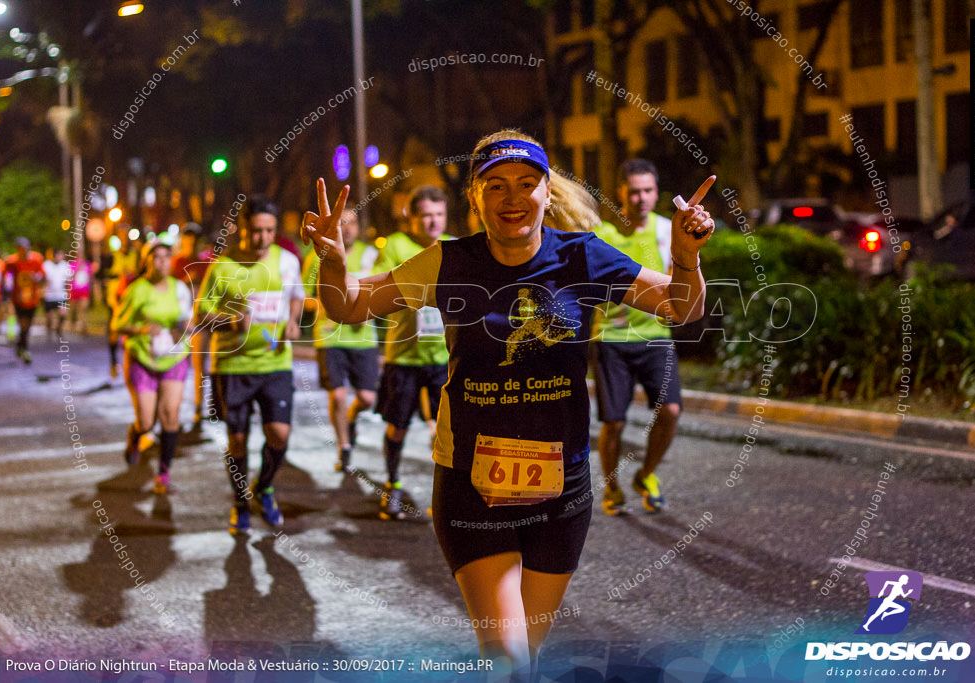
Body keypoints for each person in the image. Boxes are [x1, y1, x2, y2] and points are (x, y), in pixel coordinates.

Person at [304, 129, 715, 679]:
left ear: (547, 192)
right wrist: (332, 263)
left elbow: (679, 308)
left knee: (526, 653)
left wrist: (685, 258)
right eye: (495, 185)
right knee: (508, 657)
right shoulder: (448, 262)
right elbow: (349, 306)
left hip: (561, 488)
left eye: (526, 183)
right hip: (472, 484)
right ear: (474, 198)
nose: (512, 197)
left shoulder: (583, 257)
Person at [195, 195, 305, 535]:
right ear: (242, 228)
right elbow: (201, 314)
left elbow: (297, 295)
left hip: (275, 363)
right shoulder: (223, 266)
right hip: (233, 367)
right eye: (256, 231)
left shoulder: (287, 261)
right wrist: (229, 322)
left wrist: (293, 321)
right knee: (238, 440)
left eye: (270, 230)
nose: (263, 238)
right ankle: (240, 502)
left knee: (279, 433)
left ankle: (265, 487)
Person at [591, 158, 683, 515]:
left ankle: (645, 474)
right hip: (611, 340)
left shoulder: (666, 229)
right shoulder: (604, 234)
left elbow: (678, 278)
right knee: (614, 422)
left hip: (657, 338)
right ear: (621, 194)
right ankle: (611, 486)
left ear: (656, 193)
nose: (641, 198)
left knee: (671, 410)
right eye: (634, 192)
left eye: (648, 191)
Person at [369, 185, 451, 520]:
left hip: (445, 357)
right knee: (397, 426)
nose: (433, 222)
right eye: (426, 216)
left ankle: (448, 494)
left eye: (439, 215)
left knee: (449, 428)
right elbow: (380, 289)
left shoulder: (455, 247)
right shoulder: (395, 247)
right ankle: (392, 483)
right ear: (412, 217)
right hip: (403, 356)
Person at [301, 203, 378, 472]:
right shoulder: (319, 255)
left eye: (351, 223)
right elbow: (305, 296)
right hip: (330, 336)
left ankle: (351, 418)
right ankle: (344, 448)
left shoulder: (372, 255)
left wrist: (367, 311)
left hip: (364, 338)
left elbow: (385, 290)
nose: (346, 229)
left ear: (359, 228)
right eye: (341, 223)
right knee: (338, 395)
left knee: (367, 398)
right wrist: (325, 304)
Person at [111, 241, 193, 493]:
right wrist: (142, 329)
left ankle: (164, 475)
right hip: (143, 359)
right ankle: (135, 436)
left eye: (166, 257)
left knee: (170, 415)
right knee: (147, 422)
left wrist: (187, 327)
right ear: (146, 261)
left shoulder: (180, 288)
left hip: (174, 357)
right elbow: (117, 325)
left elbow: (188, 319)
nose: (162, 262)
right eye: (156, 257)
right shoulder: (137, 290)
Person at [172, 223, 214, 428]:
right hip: (180, 320)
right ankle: (173, 409)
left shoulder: (207, 262)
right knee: (177, 365)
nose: (191, 244)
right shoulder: (177, 261)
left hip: (200, 320)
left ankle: (199, 408)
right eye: (187, 240)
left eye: (194, 240)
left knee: (200, 365)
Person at [3, 237, 45, 364]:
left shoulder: (36, 259)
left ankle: (20, 345)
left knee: (27, 325)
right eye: (20, 249)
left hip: (32, 299)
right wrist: (7, 287)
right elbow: (6, 276)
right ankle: (24, 349)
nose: (23, 251)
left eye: (25, 248)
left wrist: (37, 278)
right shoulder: (12, 261)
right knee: (23, 323)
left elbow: (42, 275)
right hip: (18, 299)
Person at [106, 228, 139, 377]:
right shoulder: (112, 256)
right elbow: (101, 273)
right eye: (122, 236)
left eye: (126, 236)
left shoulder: (135, 255)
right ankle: (113, 362)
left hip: (131, 298)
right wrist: (118, 275)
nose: (124, 239)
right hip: (115, 299)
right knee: (114, 331)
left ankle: (131, 362)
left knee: (131, 330)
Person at [42, 248, 72, 341]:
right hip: (50, 295)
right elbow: (43, 278)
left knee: (63, 313)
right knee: (49, 316)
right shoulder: (47, 265)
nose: (61, 257)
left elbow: (68, 279)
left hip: (61, 295)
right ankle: (49, 331)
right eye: (59, 255)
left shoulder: (65, 265)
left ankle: (59, 329)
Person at [66, 247, 94, 334]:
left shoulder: (88, 265)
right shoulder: (72, 265)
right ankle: (72, 323)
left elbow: (90, 278)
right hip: (74, 289)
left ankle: (83, 325)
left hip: (84, 290)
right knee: (73, 308)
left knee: (83, 308)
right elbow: (69, 278)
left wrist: (91, 288)